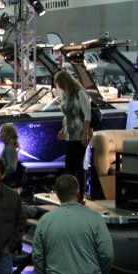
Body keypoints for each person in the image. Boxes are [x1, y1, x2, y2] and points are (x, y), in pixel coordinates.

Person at [32, 174, 113, 274]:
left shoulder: (45, 221)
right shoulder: (95, 218)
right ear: (78, 192)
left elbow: (37, 257)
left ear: (57, 194)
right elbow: (107, 254)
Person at [54, 70, 92, 202]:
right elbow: (67, 116)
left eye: (60, 84)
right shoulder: (66, 95)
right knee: (69, 165)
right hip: (70, 135)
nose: (59, 87)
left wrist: (85, 133)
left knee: (78, 166)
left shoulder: (79, 93)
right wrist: (63, 129)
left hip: (80, 134)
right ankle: (70, 195)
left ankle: (80, 195)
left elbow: (87, 114)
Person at [0, 123, 25, 192]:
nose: (0, 133)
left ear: (8, 134)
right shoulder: (8, 147)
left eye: (2, 131)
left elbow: (12, 167)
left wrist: (0, 176)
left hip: (8, 187)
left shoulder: (10, 148)